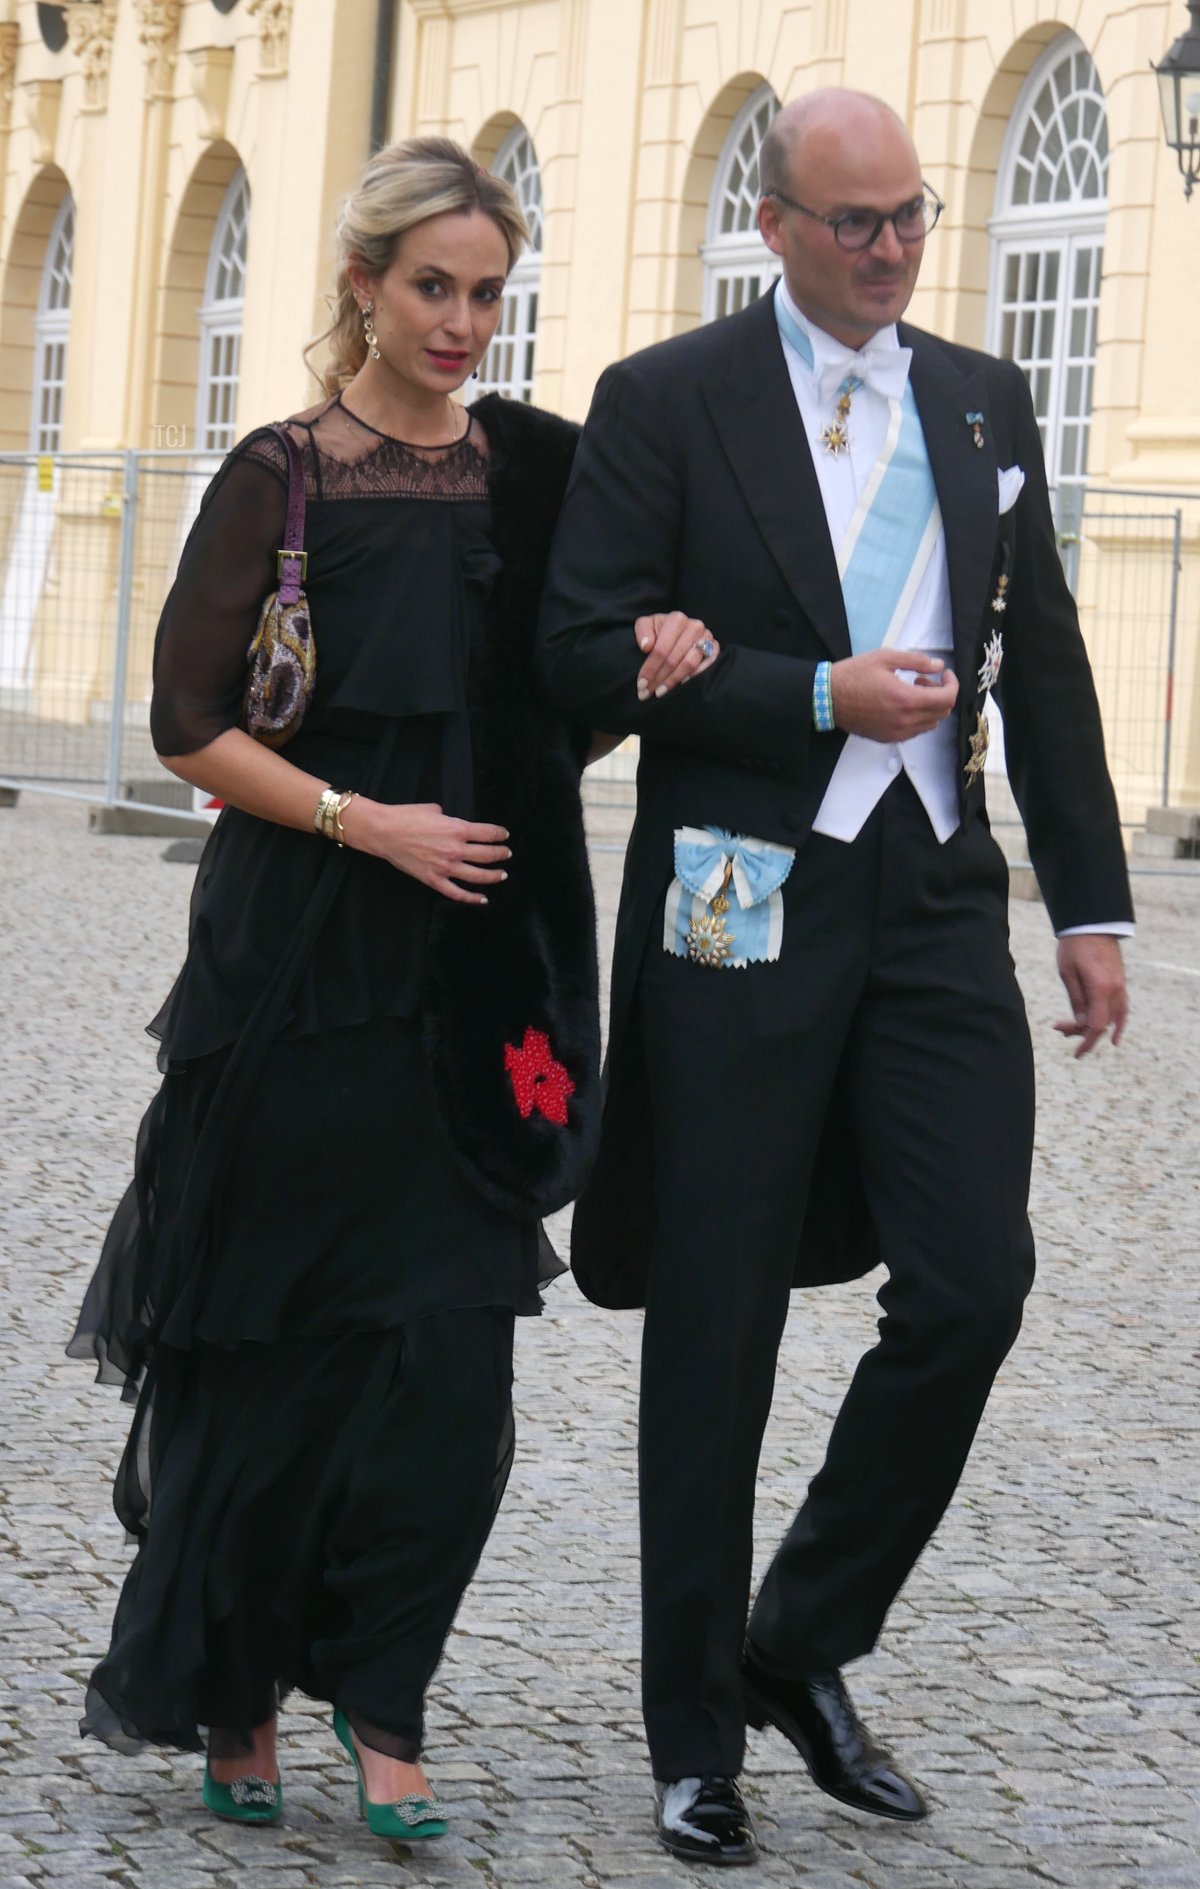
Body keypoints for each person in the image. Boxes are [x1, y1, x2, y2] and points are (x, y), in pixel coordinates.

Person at [537, 90, 1132, 1867]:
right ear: (776, 222)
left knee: (972, 1279)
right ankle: (694, 1736)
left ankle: (794, 1640)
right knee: (717, 1315)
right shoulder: (667, 402)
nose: (889, 251)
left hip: (937, 902)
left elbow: (1051, 661)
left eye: (912, 220)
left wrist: (1089, 905)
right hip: (742, 893)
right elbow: (581, 645)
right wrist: (807, 695)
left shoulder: (980, 394)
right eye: (854, 222)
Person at [68, 136, 616, 1845]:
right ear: (362, 288)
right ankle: (236, 1688)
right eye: (432, 287)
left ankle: (389, 1695)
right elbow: (185, 721)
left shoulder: (538, 474)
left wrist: (652, 666)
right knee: (271, 1355)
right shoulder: (283, 472)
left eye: (486, 292)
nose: (462, 322)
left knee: (455, 1364)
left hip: (474, 974)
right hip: (297, 966)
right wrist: (357, 817)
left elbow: (556, 709)